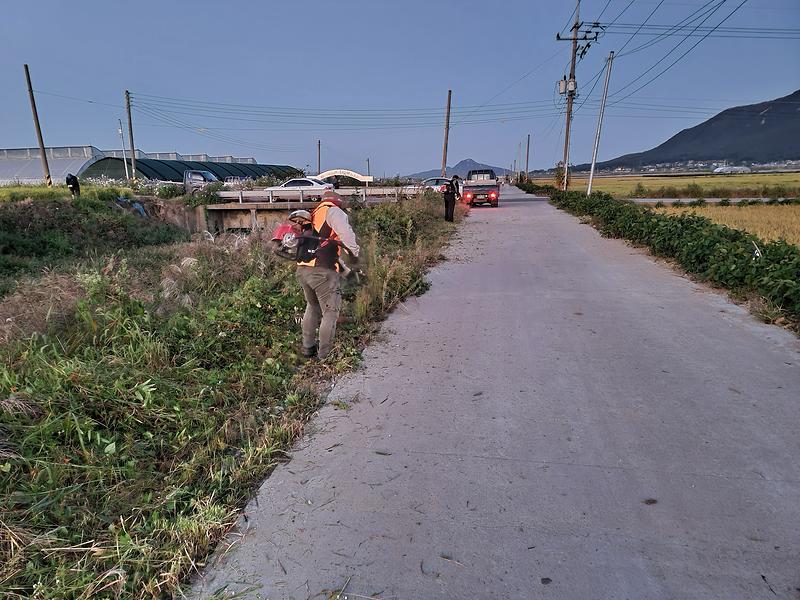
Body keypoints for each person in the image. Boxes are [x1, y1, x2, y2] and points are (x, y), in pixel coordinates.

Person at [296, 191, 360, 360]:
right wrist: (354, 253)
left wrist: (347, 272)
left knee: (312, 306)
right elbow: (346, 235)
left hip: (303, 268)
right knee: (330, 312)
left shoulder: (315, 214)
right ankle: (325, 355)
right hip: (322, 271)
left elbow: (328, 249)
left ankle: (307, 348)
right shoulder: (333, 211)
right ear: (337, 202)